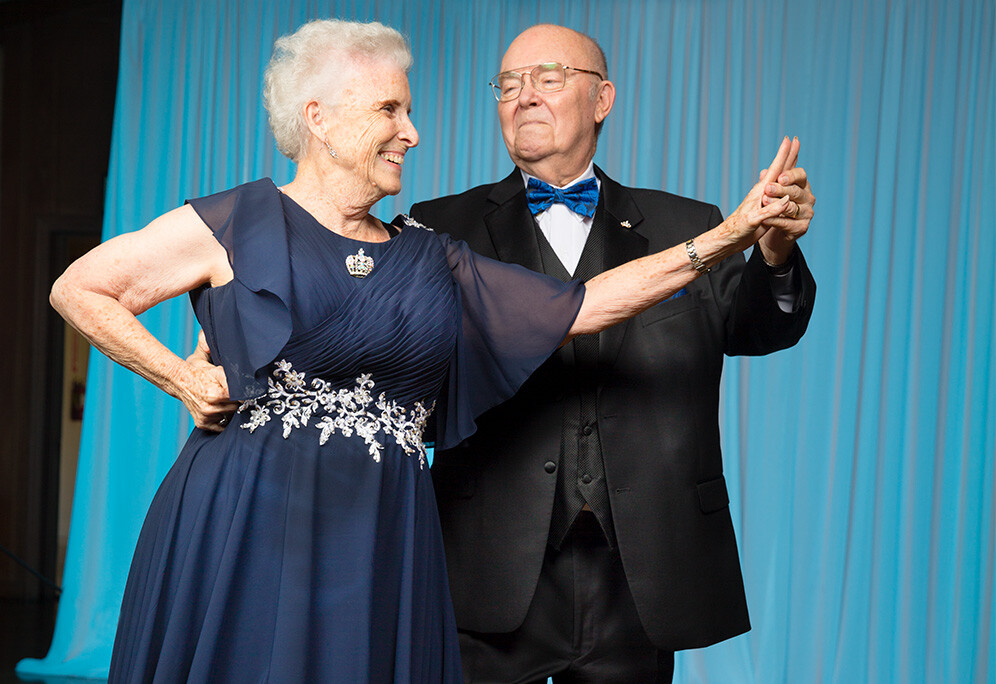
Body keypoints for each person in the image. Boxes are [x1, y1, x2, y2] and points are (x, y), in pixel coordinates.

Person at [51, 18, 802, 684]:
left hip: (390, 529)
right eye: (390, 109)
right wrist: (179, 373)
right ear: (317, 117)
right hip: (255, 519)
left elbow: (587, 305)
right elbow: (82, 289)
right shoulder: (241, 220)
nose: (412, 131)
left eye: (407, 110)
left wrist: (728, 237)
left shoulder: (428, 254)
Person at [409, 23, 817, 683]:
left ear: (602, 99)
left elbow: (758, 329)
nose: (524, 97)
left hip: (642, 570)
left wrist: (772, 251)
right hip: (488, 567)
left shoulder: (691, 225)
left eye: (548, 78)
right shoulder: (439, 226)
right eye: (508, 85)